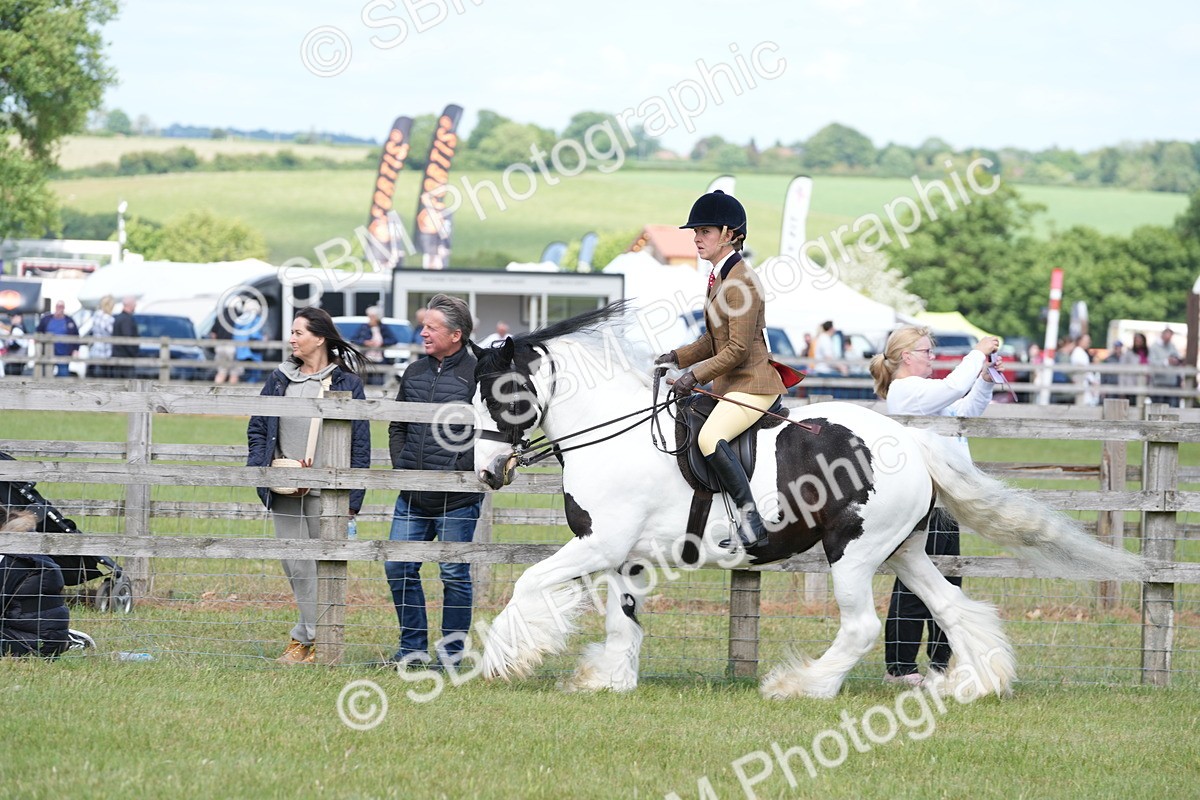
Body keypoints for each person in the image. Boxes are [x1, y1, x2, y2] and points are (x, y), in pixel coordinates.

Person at [868, 325, 1001, 687]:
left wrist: (984, 379)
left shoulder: (924, 391)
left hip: (943, 499)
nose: (932, 357)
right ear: (907, 356)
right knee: (917, 582)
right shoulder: (907, 391)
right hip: (923, 501)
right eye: (926, 351)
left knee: (947, 578)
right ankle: (900, 668)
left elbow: (964, 408)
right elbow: (953, 388)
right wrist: (976, 353)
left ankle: (940, 665)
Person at [654, 189, 785, 552]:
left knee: (710, 438)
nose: (697, 238)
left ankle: (752, 523)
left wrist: (693, 376)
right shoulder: (720, 277)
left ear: (729, 234)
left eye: (705, 231)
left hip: (753, 383)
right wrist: (673, 357)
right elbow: (712, 340)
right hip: (731, 383)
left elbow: (737, 349)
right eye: (696, 232)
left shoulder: (741, 282)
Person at [246, 306, 370, 664]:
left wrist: (354, 498)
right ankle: (316, 638)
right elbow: (258, 427)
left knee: (324, 567)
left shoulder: (347, 383)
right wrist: (262, 470)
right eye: (292, 332)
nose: (292, 339)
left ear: (319, 338)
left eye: (298, 332)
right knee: (296, 565)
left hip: (329, 491)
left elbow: (360, 443)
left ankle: (306, 640)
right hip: (284, 487)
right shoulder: (280, 379)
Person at [384, 293, 484, 668]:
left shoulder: (478, 374)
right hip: (412, 495)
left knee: (454, 573)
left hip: (456, 498)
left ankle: (451, 656)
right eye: (423, 326)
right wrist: (403, 464)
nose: (423, 332)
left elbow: (490, 432)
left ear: (456, 334)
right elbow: (397, 425)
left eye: (431, 327)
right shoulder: (413, 372)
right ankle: (411, 650)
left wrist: (461, 470)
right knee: (398, 567)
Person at [351, 306, 397, 386]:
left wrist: (382, 343)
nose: (371, 318)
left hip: (379, 359)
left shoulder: (383, 327)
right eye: (369, 316)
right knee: (364, 382)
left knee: (378, 382)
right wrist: (365, 342)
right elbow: (353, 339)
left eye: (373, 316)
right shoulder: (364, 327)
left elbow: (393, 340)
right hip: (366, 359)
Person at [35, 301, 80, 377]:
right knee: (46, 375)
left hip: (64, 353)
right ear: (55, 307)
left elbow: (76, 336)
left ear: (64, 308)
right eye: (58, 306)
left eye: (61, 307)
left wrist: (76, 349)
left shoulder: (69, 321)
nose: (59, 309)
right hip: (48, 353)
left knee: (63, 375)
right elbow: (38, 332)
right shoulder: (46, 319)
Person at [1148, 327, 1183, 407]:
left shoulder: (1172, 346)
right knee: (1157, 408)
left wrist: (1176, 360)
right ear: (1163, 335)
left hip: (1171, 383)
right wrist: (1166, 361)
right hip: (1158, 383)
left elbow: (1177, 357)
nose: (1168, 339)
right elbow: (1152, 362)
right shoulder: (1154, 347)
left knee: (1171, 408)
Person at [111, 296, 140, 379]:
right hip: (125, 359)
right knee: (129, 383)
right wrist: (134, 353)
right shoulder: (126, 320)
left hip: (117, 357)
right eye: (134, 304)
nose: (135, 305)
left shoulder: (118, 318)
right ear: (130, 304)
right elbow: (127, 338)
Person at [88, 295, 116, 378]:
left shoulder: (96, 315)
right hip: (105, 351)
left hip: (95, 350)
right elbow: (112, 332)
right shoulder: (108, 319)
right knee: (104, 377)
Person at [1071, 333, 1100, 406]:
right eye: (1086, 341)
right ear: (1080, 341)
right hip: (1082, 381)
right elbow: (1083, 369)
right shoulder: (1078, 352)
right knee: (1083, 403)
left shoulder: (1081, 352)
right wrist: (1092, 381)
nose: (1088, 342)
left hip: (1085, 381)